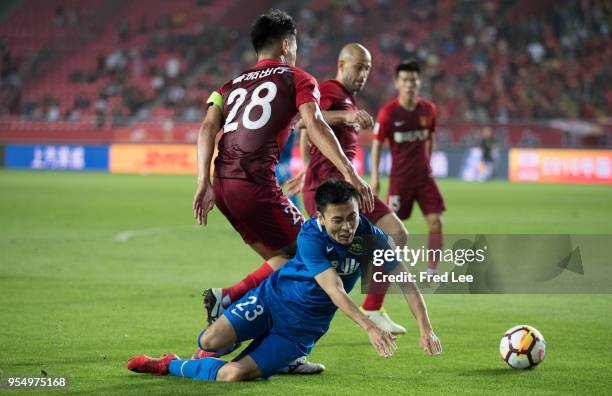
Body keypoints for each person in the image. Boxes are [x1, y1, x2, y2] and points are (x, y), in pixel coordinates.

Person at [192, 10, 373, 373]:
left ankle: (239, 314)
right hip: (255, 184)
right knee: (312, 253)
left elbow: (208, 125)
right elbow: (315, 123)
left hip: (225, 187)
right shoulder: (298, 78)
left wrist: (204, 182)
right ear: (287, 44)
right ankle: (241, 310)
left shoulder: (227, 85)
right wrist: (351, 172)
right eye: (296, 44)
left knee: (285, 261)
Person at [128, 180, 442, 381]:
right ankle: (240, 344)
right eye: (338, 220)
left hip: (299, 331)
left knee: (231, 375)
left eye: (352, 217)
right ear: (320, 218)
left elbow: (406, 280)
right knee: (208, 342)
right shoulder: (310, 235)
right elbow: (333, 288)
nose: (347, 227)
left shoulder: (371, 238)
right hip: (270, 301)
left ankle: (169, 364)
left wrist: (426, 327)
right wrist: (370, 327)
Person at [286, 43, 408, 334]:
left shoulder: (347, 99)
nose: (364, 73)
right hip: (331, 189)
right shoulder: (330, 90)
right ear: (342, 65)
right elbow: (303, 121)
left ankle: (372, 308)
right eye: (358, 66)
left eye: (367, 67)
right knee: (319, 263)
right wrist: (346, 117)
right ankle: (285, 315)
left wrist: (305, 167)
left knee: (394, 235)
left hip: (343, 187)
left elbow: (312, 133)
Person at [370, 60, 445, 276]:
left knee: (436, 221)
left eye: (413, 80)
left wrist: (428, 162)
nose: (409, 84)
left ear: (419, 82)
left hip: (424, 179)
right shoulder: (388, 113)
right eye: (404, 80)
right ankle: (386, 269)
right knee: (393, 228)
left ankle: (431, 271)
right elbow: (377, 145)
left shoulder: (429, 110)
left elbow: (431, 137)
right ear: (396, 83)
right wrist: (375, 177)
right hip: (401, 179)